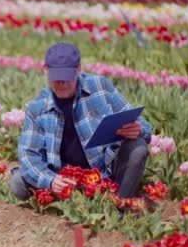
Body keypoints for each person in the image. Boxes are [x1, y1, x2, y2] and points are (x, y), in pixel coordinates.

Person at [10, 42, 152, 200]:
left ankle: (120, 204)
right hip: (63, 178)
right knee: (18, 182)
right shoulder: (37, 108)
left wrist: (138, 129)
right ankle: (66, 202)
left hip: (103, 172)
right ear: (45, 70)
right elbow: (27, 155)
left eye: (67, 77)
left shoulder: (100, 87)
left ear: (78, 69)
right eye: (57, 78)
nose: (62, 83)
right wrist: (50, 181)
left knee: (137, 148)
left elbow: (141, 122)